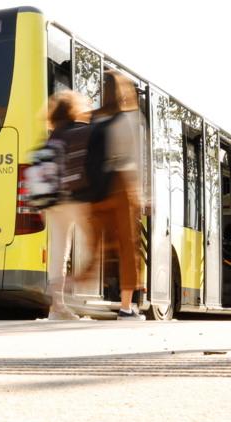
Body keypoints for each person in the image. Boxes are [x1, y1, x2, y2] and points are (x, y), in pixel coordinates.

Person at [78, 70, 147, 320]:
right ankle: (126, 308)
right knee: (127, 248)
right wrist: (140, 194)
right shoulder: (130, 117)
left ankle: (74, 293)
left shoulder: (92, 118)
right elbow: (134, 158)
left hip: (97, 188)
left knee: (98, 247)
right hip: (121, 185)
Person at [43, 90, 93, 320]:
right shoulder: (80, 131)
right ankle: (85, 281)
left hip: (53, 201)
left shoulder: (51, 136)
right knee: (97, 242)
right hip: (75, 198)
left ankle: (58, 306)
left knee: (58, 251)